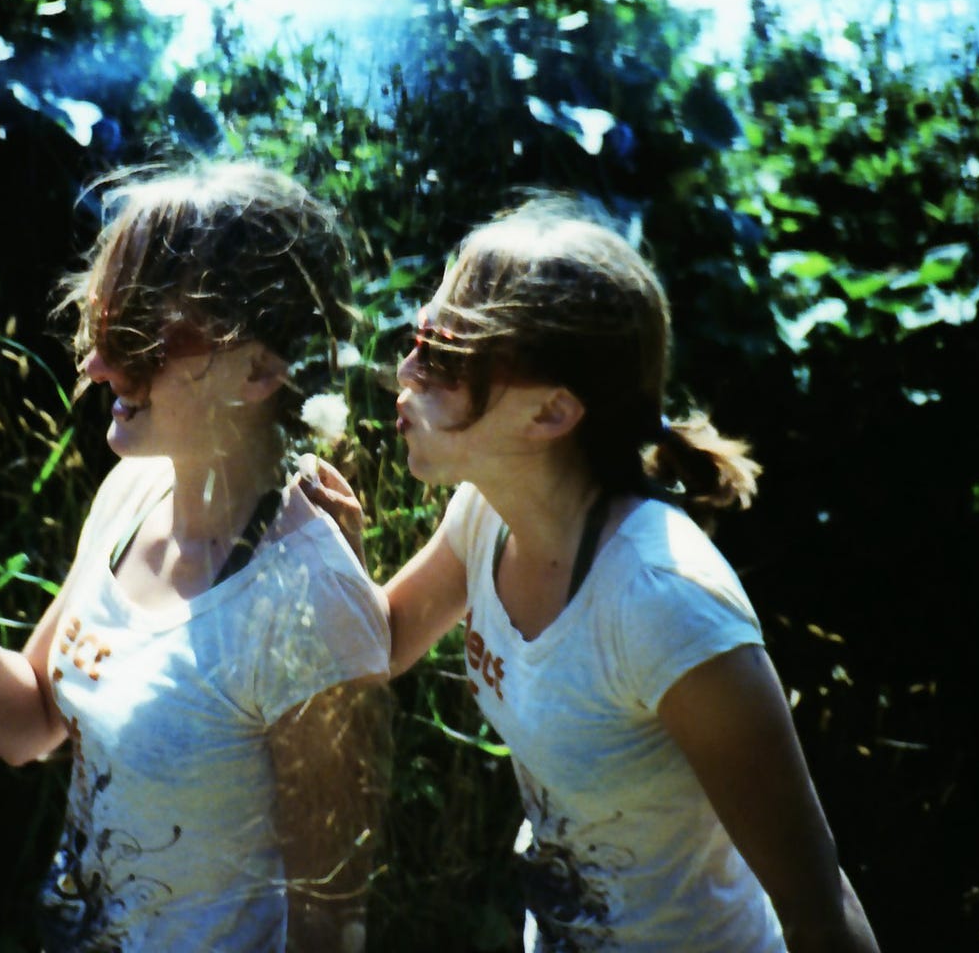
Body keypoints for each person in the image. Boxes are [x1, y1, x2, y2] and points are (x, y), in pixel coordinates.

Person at [305, 197, 879, 952]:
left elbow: (818, 904)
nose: (403, 374)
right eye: (417, 338)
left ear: (550, 414)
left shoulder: (663, 603)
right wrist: (327, 545)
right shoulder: (484, 517)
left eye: (443, 357)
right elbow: (383, 643)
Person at [0, 162, 391, 953]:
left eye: (142, 339)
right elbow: (28, 725)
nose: (98, 365)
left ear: (260, 370)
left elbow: (330, 916)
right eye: (102, 325)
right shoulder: (130, 495)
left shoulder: (309, 601)